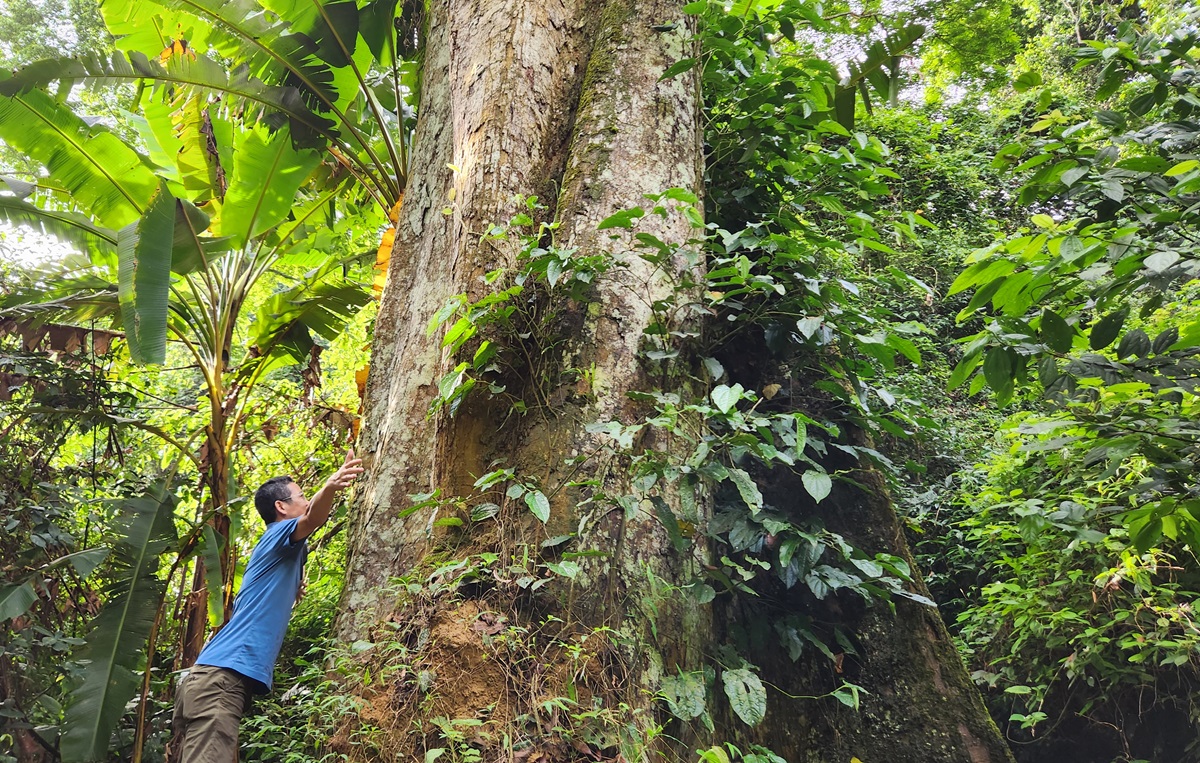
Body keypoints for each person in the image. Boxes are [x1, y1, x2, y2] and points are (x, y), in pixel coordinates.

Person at [171, 450, 364, 763]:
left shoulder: (279, 548)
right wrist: (331, 485)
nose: (306, 500)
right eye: (301, 496)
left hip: (210, 679)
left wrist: (292, 588)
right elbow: (314, 517)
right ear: (281, 507)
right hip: (220, 678)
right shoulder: (278, 532)